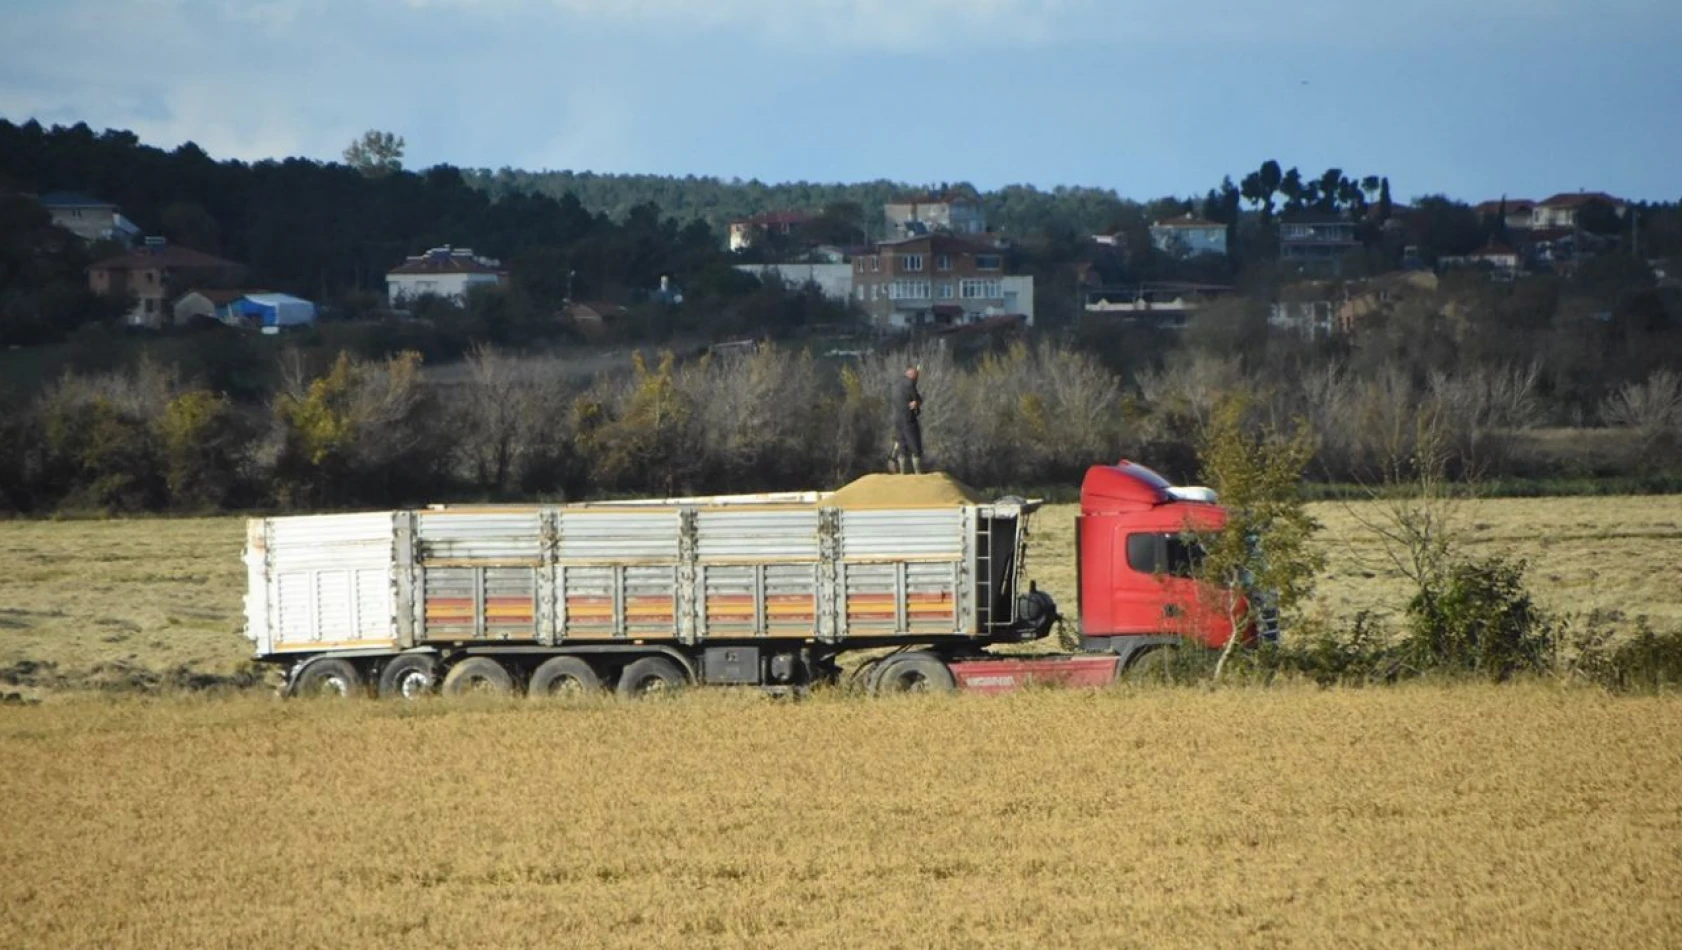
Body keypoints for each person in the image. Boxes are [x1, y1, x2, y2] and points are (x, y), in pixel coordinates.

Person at [888, 364, 924, 474]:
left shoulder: (895, 385)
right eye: (916, 376)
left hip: (896, 420)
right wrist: (917, 403)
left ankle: (902, 473)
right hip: (908, 419)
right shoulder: (910, 384)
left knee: (902, 445)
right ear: (913, 375)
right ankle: (918, 474)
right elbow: (916, 400)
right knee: (915, 446)